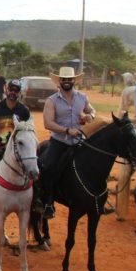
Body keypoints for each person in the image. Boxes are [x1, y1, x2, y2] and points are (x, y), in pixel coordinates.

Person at [38, 67, 96, 219]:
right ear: (59, 81)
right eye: (64, 79)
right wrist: (67, 130)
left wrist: (90, 116)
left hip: (79, 141)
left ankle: (97, 198)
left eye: (69, 79)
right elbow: (48, 123)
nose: (66, 82)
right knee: (48, 168)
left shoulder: (82, 97)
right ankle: (47, 202)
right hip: (59, 142)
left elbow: (92, 111)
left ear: (74, 80)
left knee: (95, 166)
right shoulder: (52, 101)